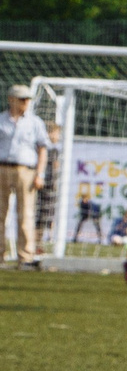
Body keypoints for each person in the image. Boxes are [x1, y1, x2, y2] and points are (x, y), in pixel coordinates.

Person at [0, 83, 53, 268]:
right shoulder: (1, 120)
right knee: (0, 214)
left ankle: (25, 256)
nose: (25, 103)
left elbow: (43, 149)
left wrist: (40, 173)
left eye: (27, 99)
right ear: (11, 99)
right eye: (22, 99)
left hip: (26, 171)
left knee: (26, 215)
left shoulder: (35, 122)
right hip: (2, 168)